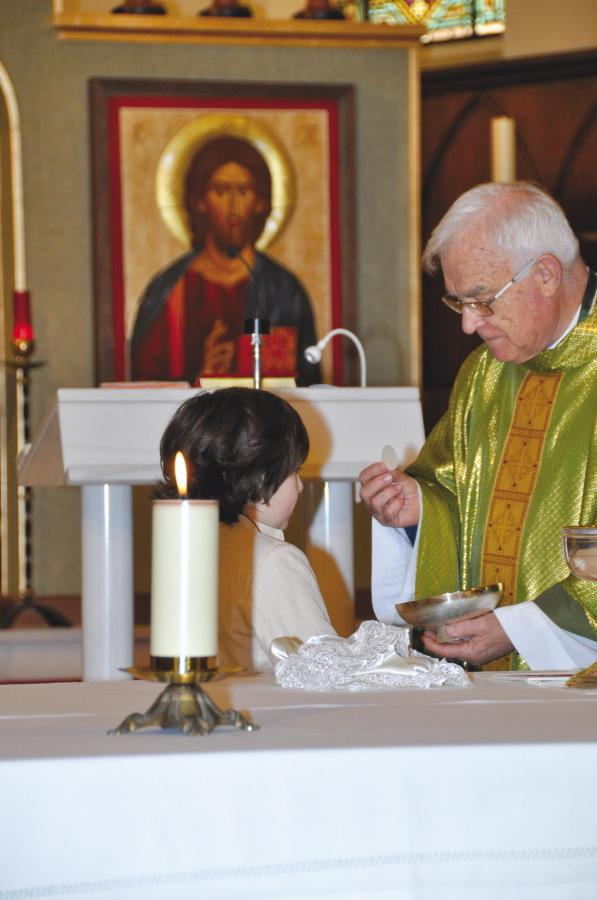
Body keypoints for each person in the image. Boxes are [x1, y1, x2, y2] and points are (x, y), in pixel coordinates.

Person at [359, 181, 597, 670]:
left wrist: (522, 628)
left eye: (482, 299)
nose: (468, 325)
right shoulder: (484, 374)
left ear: (547, 274)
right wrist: (416, 507)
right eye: (458, 303)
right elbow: (452, 488)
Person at [156, 387, 335, 672]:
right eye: (294, 471)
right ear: (262, 478)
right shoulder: (274, 561)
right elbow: (324, 669)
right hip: (267, 701)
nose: (300, 486)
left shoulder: (191, 548)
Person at [131, 135, 321, 386]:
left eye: (243, 191)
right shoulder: (169, 290)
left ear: (260, 202)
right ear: (200, 201)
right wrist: (203, 377)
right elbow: (144, 388)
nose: (233, 206)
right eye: (220, 191)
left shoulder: (285, 289)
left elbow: (308, 382)